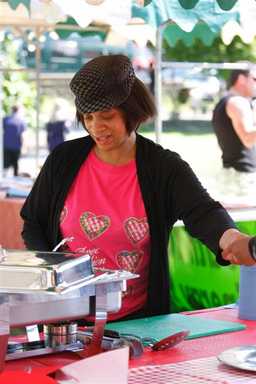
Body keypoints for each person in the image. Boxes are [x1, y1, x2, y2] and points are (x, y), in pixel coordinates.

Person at [20, 54, 248, 320]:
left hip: (139, 321)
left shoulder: (164, 167)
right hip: (66, 320)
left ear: (133, 112)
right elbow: (33, 223)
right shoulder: (63, 160)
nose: (96, 127)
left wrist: (234, 240)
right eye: (88, 117)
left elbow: (204, 213)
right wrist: (55, 273)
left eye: (107, 115)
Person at [212, 69, 256, 199]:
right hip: (242, 178)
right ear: (242, 79)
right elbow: (247, 138)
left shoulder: (227, 101)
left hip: (235, 174)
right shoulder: (237, 102)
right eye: (254, 79)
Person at [3, 105, 26, 176]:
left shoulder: (5, 119)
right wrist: (24, 146)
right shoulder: (21, 121)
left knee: (6, 165)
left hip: (6, 145)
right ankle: (14, 178)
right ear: (19, 110)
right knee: (15, 165)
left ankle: (5, 178)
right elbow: (23, 135)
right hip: (16, 146)